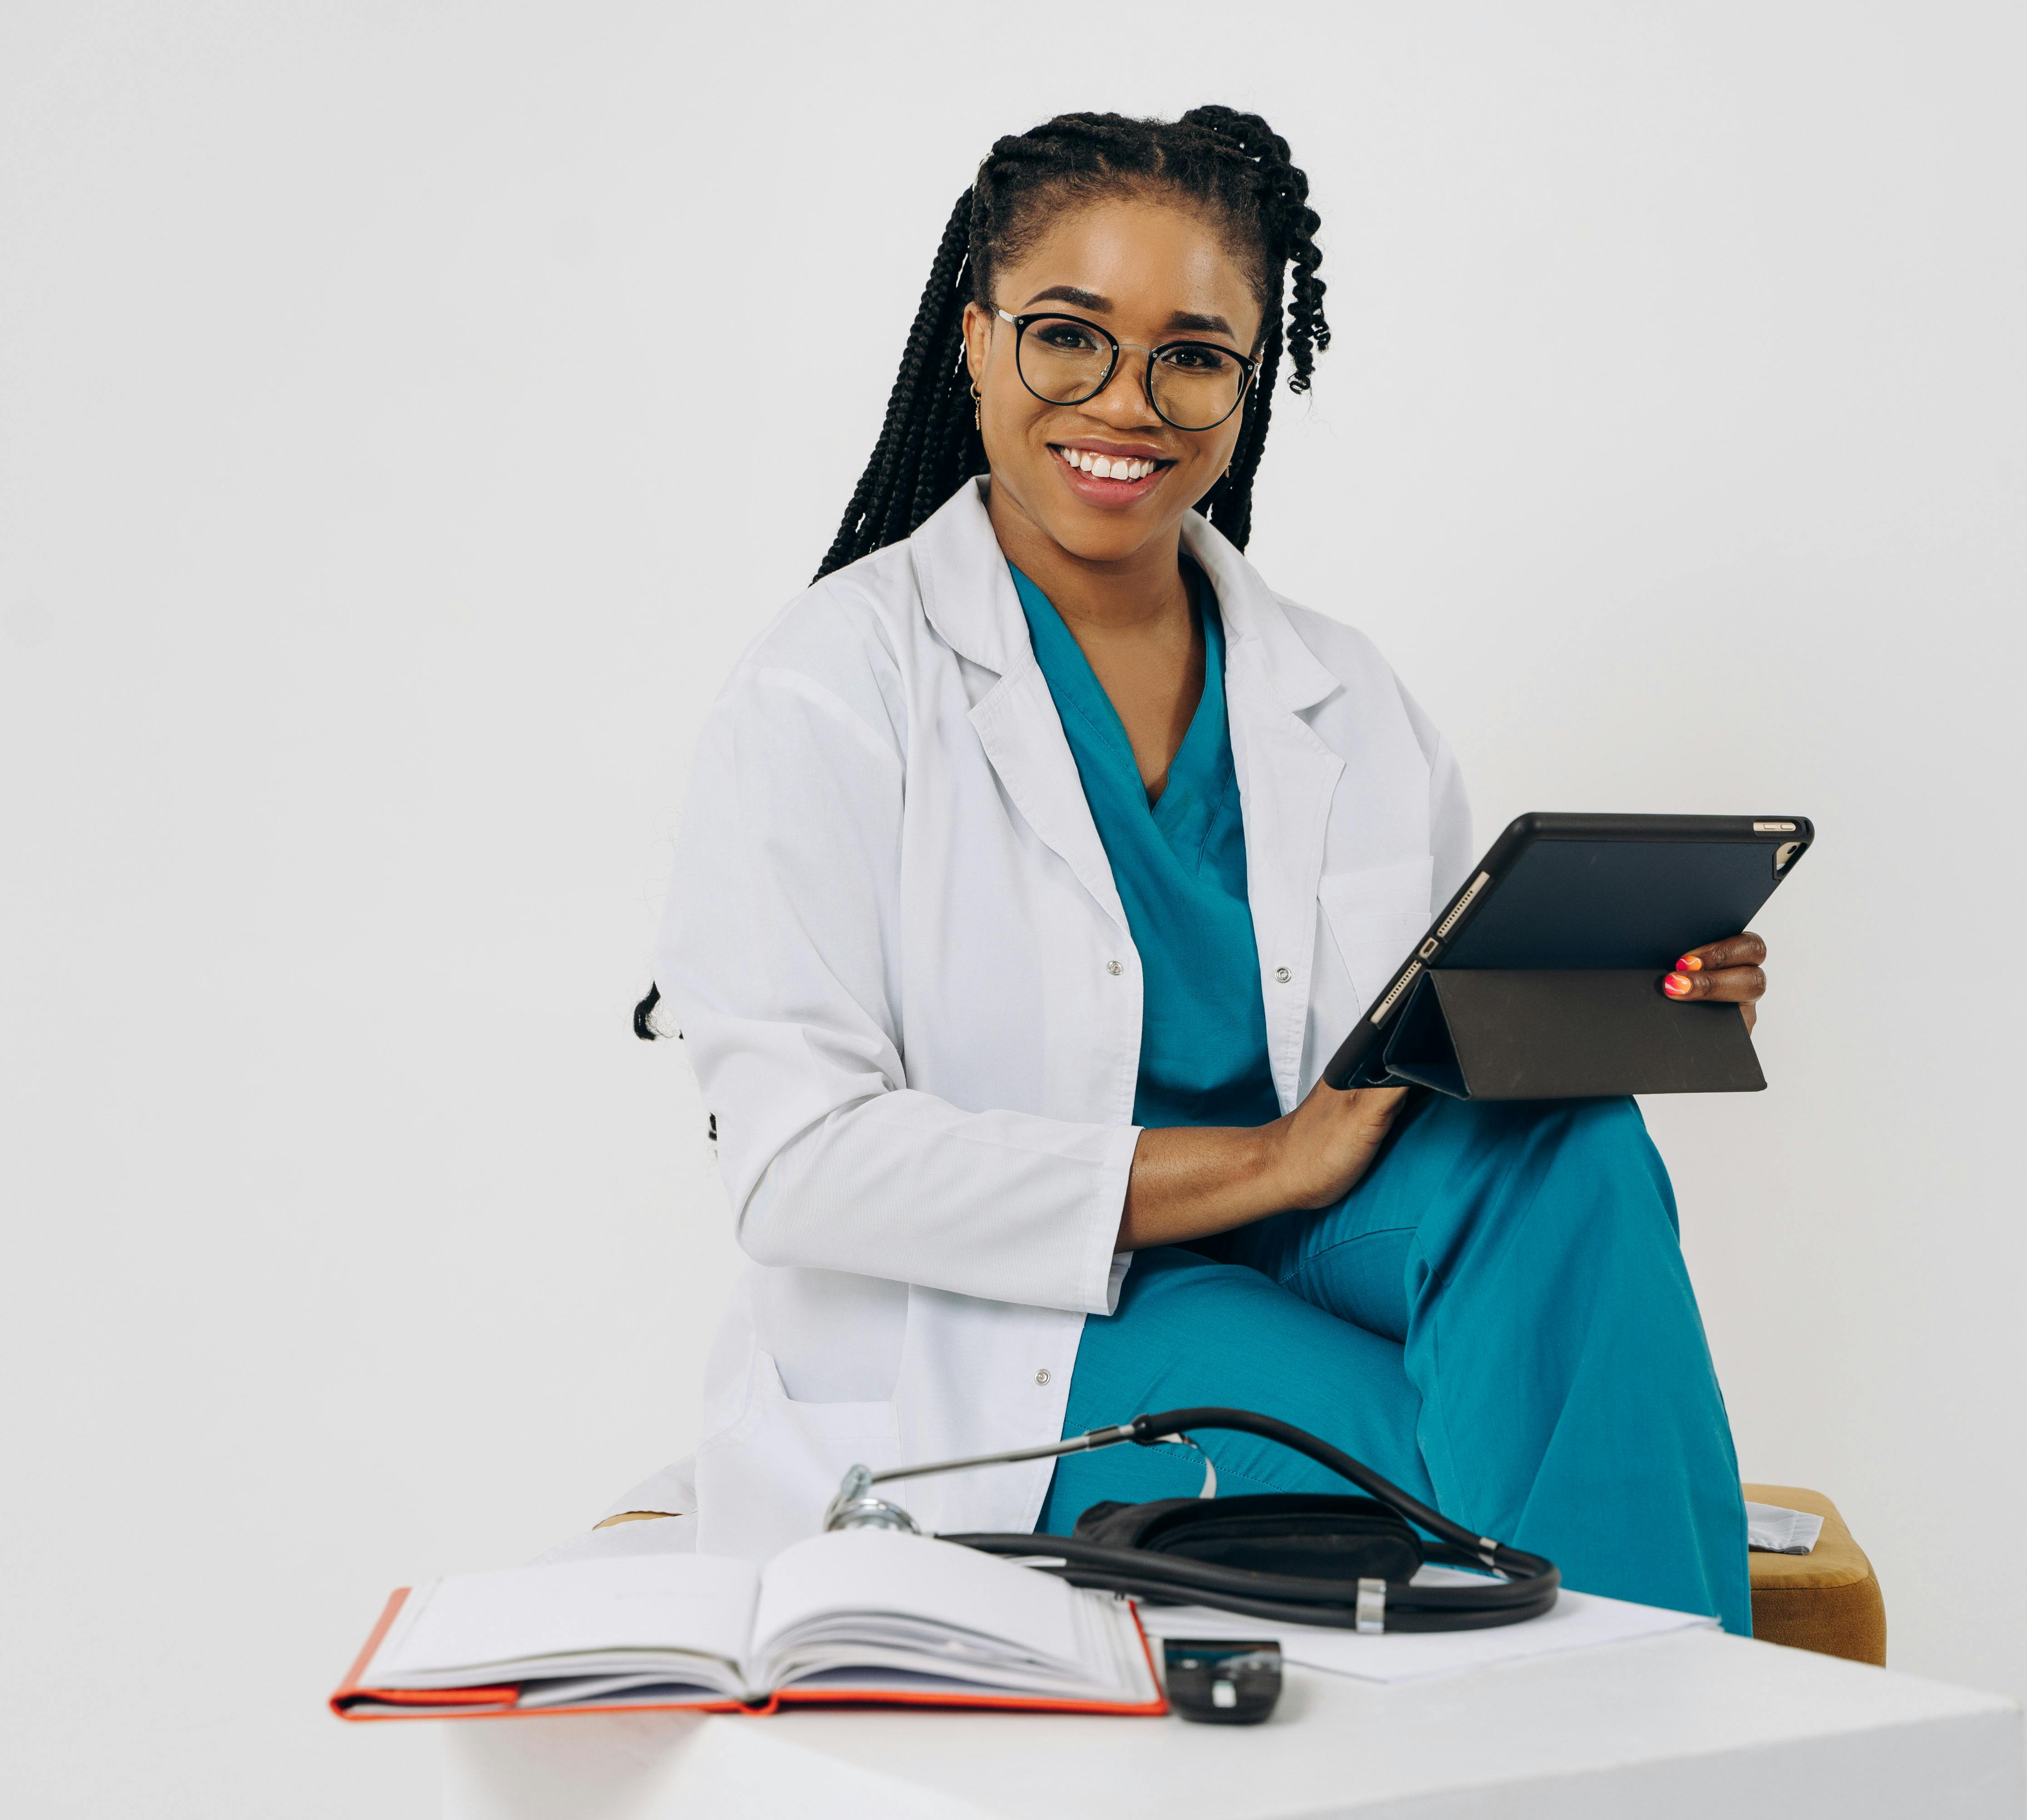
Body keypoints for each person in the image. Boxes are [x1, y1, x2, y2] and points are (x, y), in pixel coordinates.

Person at [642, 107, 1770, 1631]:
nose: (1129, 401)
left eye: (1193, 354)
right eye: (1066, 337)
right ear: (973, 343)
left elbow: (1422, 1060)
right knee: (1439, 1469)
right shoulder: (833, 687)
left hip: (1322, 1243)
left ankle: (1686, 1751)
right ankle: (1662, 1716)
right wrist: (1261, 1163)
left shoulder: (1341, 691)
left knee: (1576, 1148)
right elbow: (800, 1166)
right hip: (1036, 1317)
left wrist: (1614, 1001)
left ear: (1249, 383)